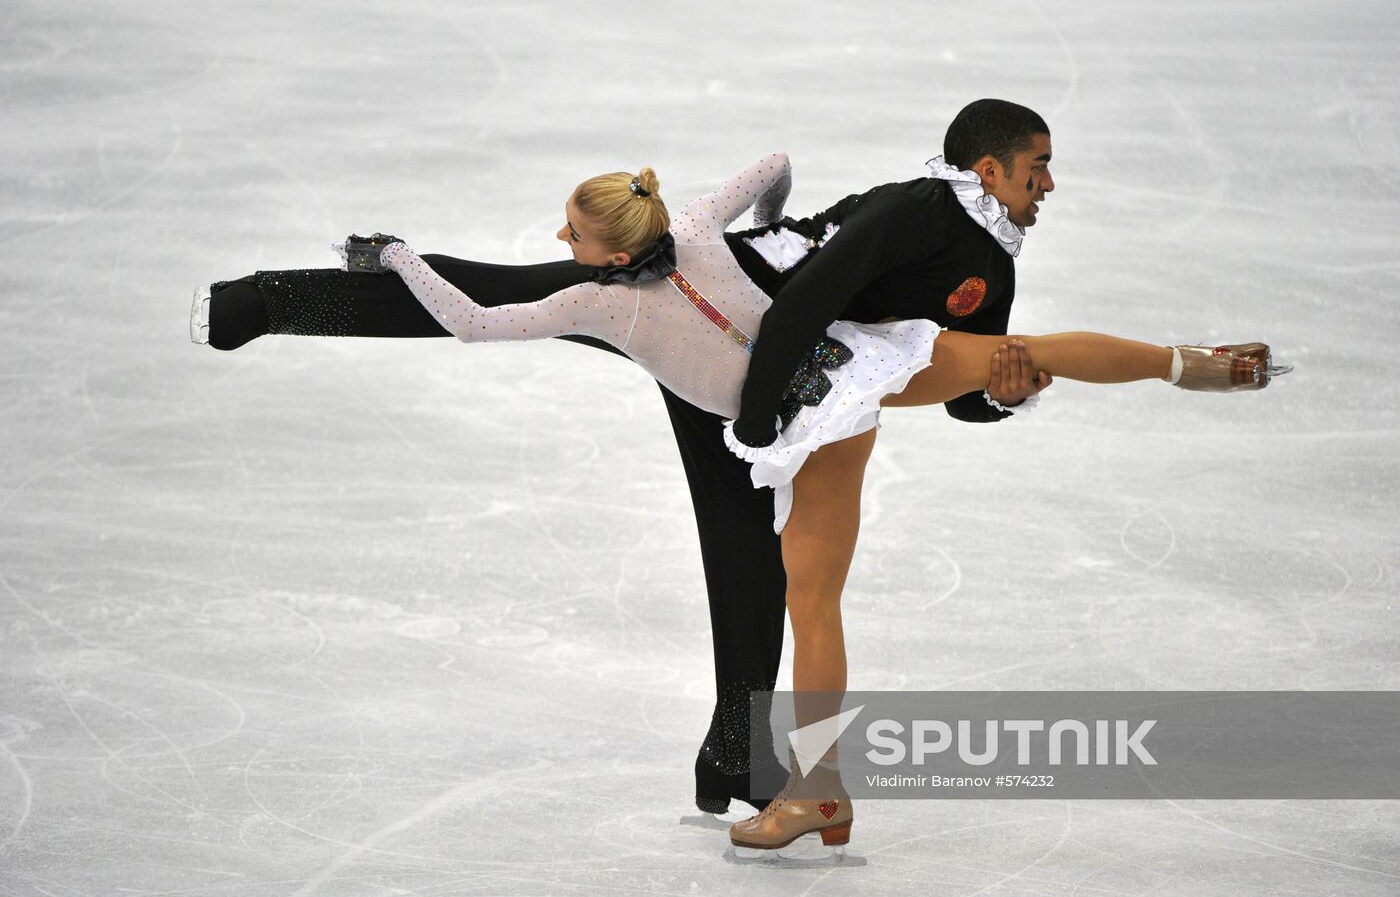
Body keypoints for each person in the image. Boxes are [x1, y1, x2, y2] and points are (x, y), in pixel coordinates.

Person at [188, 100, 1266, 824]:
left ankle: (734, 753)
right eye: (1038, 167)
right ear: (988, 165)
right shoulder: (914, 208)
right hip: (738, 345)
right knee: (504, 290)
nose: (1049, 184)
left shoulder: (989, 261)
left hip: (760, 378)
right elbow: (800, 294)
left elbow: (949, 379)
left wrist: (999, 391)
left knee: (743, 555)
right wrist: (757, 415)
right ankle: (276, 298)